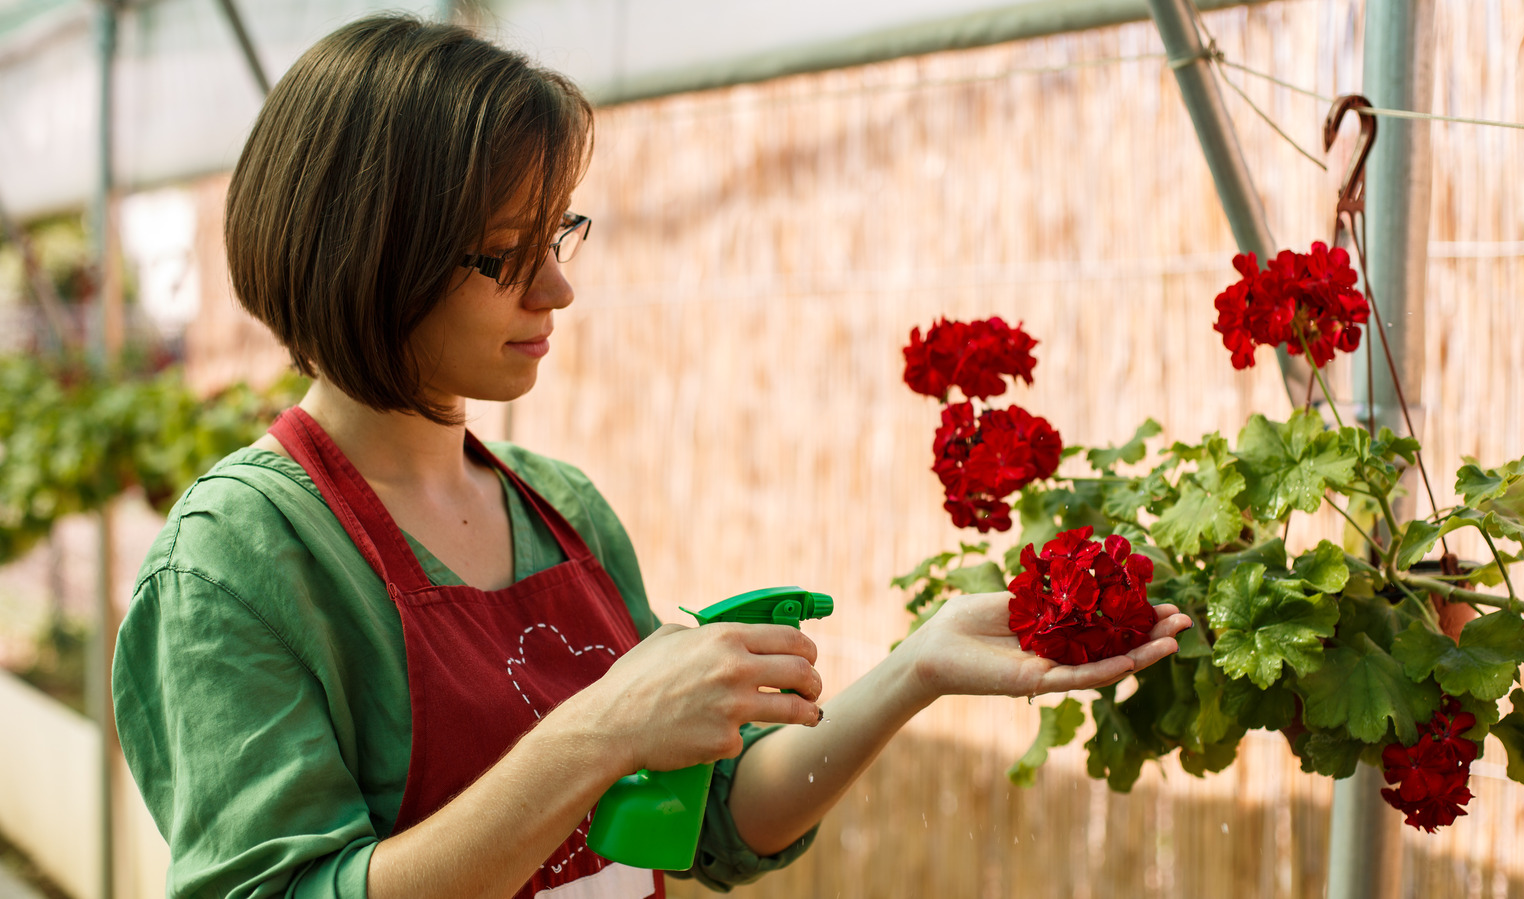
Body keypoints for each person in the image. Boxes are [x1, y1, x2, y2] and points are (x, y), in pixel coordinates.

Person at [110, 14, 1190, 899]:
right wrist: (601, 727)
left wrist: (917, 668)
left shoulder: (561, 508)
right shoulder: (240, 558)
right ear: (365, 252)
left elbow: (705, 824)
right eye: (504, 255)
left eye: (556, 236)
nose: (556, 288)